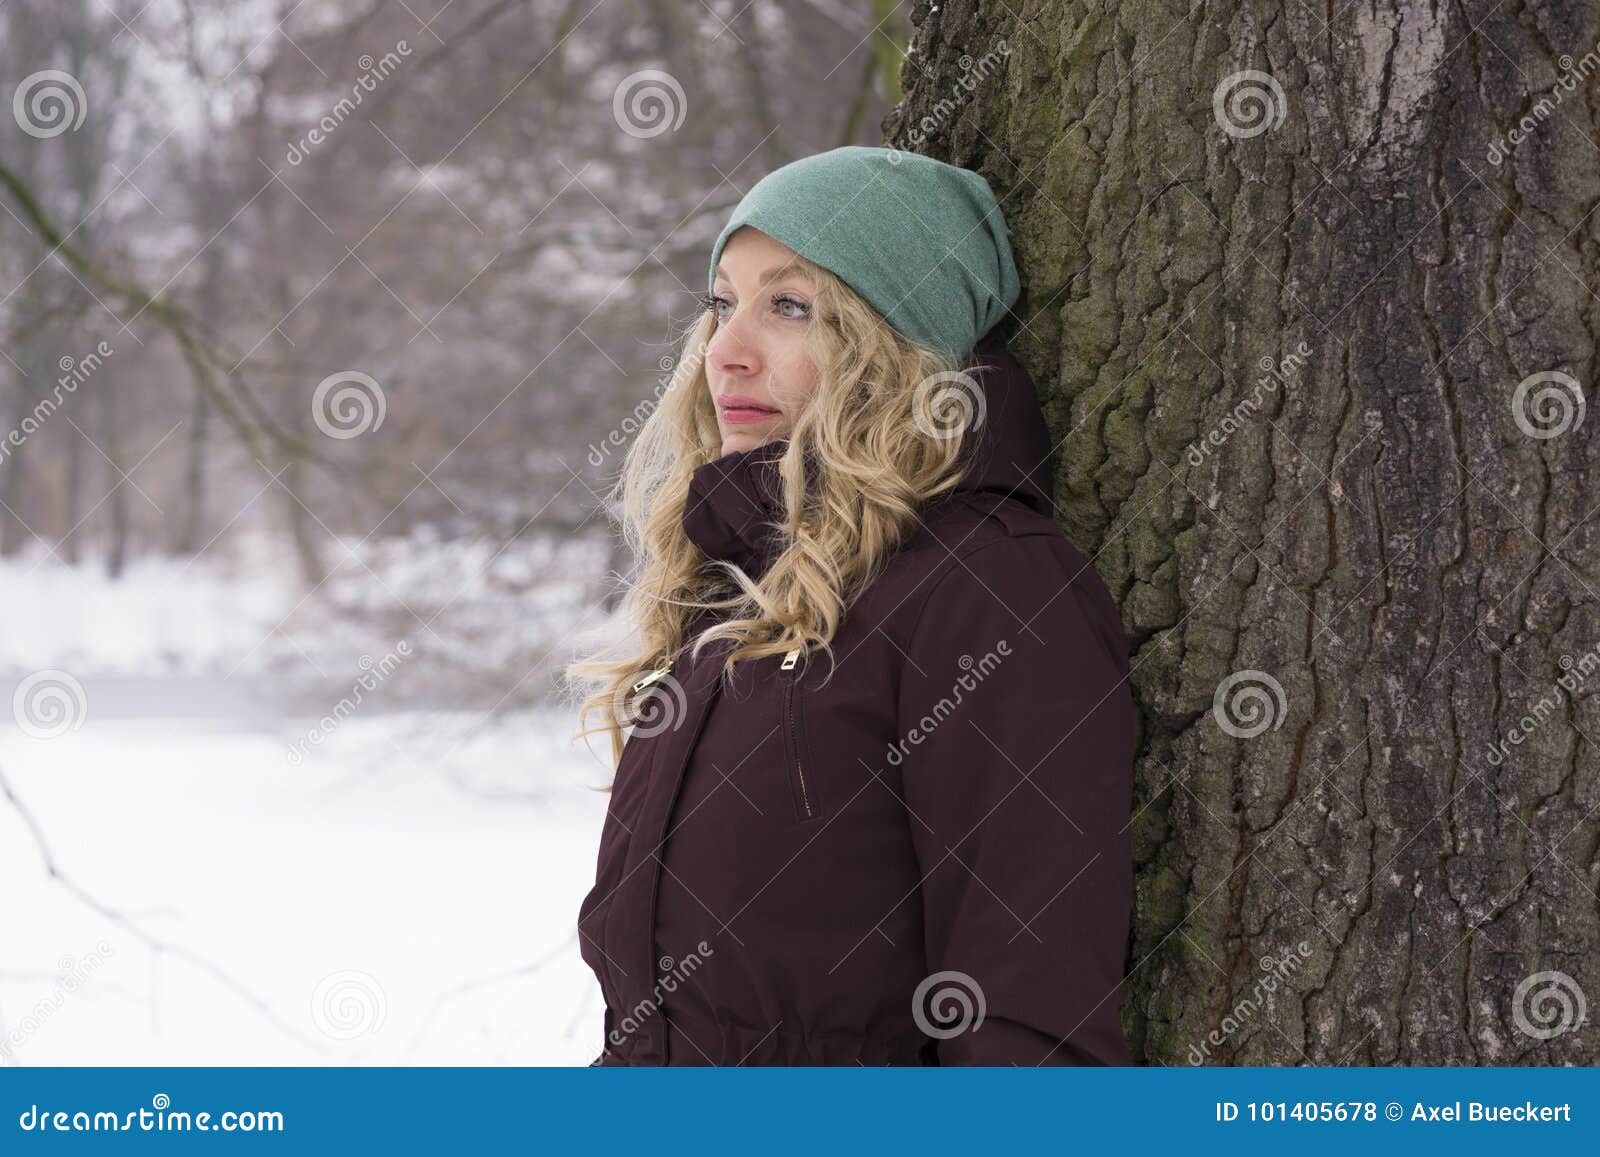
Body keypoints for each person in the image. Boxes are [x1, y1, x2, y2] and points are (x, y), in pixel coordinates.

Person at [565, 145, 1135, 1066]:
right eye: (723, 303)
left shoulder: (990, 591)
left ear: (893, 342)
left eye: (790, 306)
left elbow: (1029, 1031)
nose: (726, 351)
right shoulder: (737, 587)